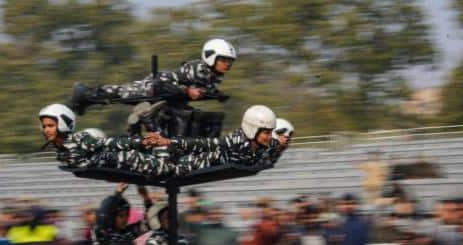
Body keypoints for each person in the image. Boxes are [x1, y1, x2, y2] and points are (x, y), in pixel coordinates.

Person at [70, 38, 237, 115]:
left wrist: (217, 95)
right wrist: (187, 92)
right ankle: (84, 94)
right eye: (223, 60)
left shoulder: (214, 75)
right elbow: (165, 84)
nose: (227, 64)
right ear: (211, 56)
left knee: (192, 115)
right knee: (120, 93)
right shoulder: (197, 69)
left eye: (230, 61)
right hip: (155, 87)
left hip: (170, 99)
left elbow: (202, 90)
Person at [38, 103, 173, 176]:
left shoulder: (78, 140)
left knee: (166, 168)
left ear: (63, 123)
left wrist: (141, 141)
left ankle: (148, 120)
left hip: (131, 161)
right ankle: (136, 125)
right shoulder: (61, 149)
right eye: (44, 126)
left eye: (50, 125)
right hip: (124, 165)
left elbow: (108, 143)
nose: (46, 130)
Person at [146, 105, 285, 175]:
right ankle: (150, 121)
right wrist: (169, 141)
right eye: (266, 132)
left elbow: (275, 145)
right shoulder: (235, 141)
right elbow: (204, 144)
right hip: (187, 165)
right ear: (253, 130)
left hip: (210, 168)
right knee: (162, 165)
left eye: (270, 132)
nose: (269, 136)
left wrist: (281, 143)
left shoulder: (265, 143)